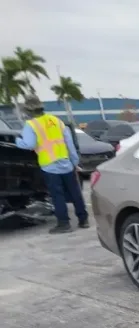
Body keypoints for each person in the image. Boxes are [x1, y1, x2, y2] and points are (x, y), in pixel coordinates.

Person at [15, 95, 88, 233]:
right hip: (66, 163)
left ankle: (64, 224)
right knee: (75, 193)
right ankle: (83, 220)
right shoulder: (56, 121)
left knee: (57, 195)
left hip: (49, 166)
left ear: (28, 111)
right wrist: (74, 162)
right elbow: (69, 143)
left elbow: (29, 144)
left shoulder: (31, 125)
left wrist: (18, 141)